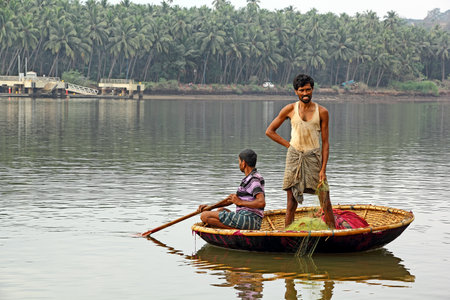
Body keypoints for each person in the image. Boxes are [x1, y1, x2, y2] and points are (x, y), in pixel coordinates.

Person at [265, 74, 330, 226]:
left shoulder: (322, 112)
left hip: (313, 156)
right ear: (296, 92)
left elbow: (326, 143)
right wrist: (289, 145)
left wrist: (323, 170)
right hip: (294, 157)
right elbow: (270, 131)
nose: (305, 93)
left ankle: (332, 232)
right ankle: (288, 234)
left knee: (325, 200)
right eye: (302, 90)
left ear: (312, 89)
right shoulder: (290, 109)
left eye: (308, 90)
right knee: (291, 202)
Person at [198, 149, 265, 230]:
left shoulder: (253, 179)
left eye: (239, 161)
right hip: (246, 218)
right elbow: (231, 199)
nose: (239, 164)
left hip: (250, 220)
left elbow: (261, 202)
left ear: (243, 163)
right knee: (220, 210)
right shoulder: (250, 178)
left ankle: (237, 231)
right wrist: (210, 207)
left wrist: (240, 202)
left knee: (204, 216)